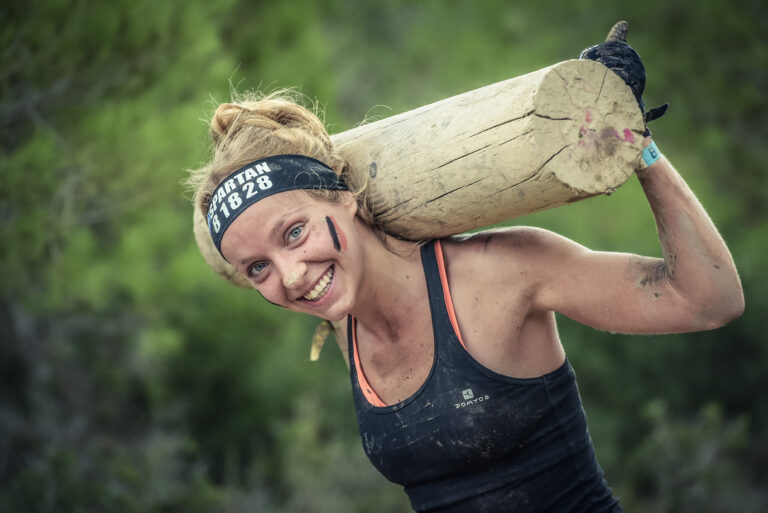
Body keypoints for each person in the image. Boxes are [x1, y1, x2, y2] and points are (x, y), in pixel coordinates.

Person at [188, 22, 744, 513]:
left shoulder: (498, 272)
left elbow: (706, 299)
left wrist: (637, 141)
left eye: (294, 233)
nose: (290, 276)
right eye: (257, 268)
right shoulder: (343, 322)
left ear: (343, 197)